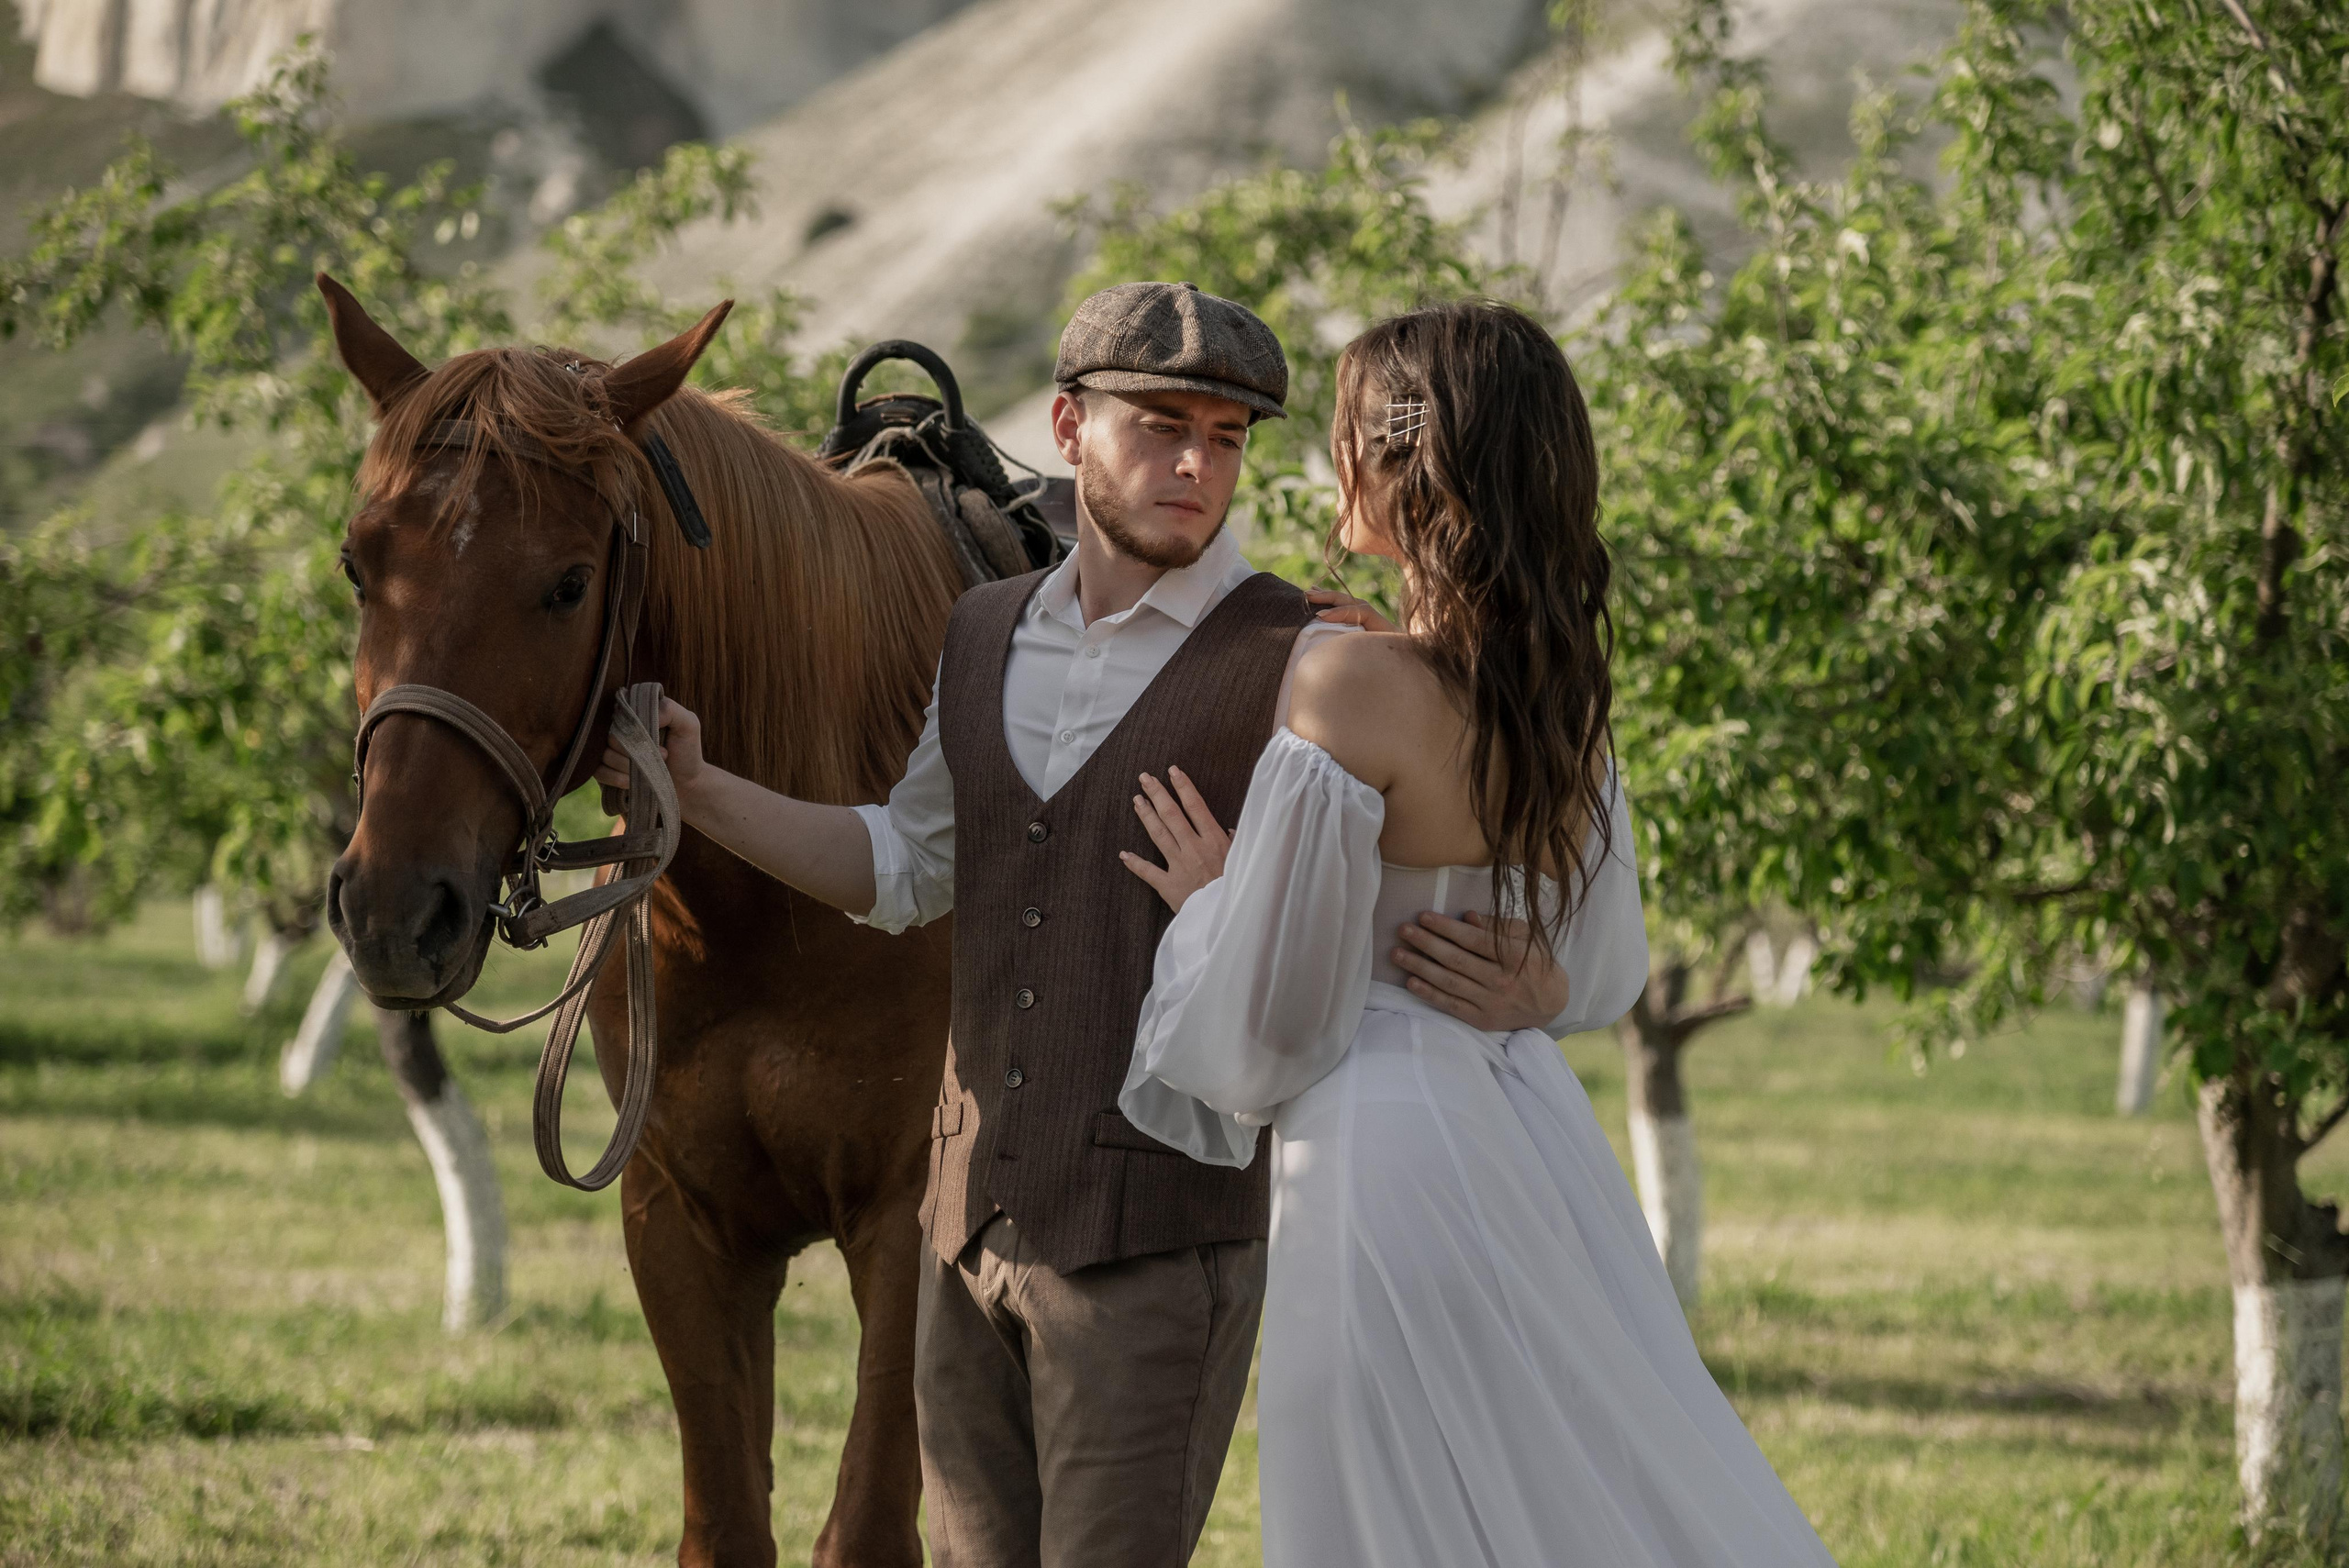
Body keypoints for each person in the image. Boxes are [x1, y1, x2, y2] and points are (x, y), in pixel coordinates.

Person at [596, 281, 1581, 1567]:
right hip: (967, 1235)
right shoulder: (983, 630)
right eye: (1160, 424)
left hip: (1161, 1248)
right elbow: (901, 864)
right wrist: (706, 787)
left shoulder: (1312, 655)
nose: (1196, 463)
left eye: (1226, 437)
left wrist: (1548, 973)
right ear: (1066, 429)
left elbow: (1494, 815)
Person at [1116, 300, 1841, 1568]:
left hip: (1375, 1153)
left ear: (1409, 465)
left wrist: (1212, 899)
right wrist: (1537, 980)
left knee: (1384, 1512)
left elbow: (1274, 1025)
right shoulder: (1564, 699)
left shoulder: (1345, 683)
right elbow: (1599, 970)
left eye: (1348, 436)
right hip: (1531, 1143)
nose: (1330, 465)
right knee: (1562, 1493)